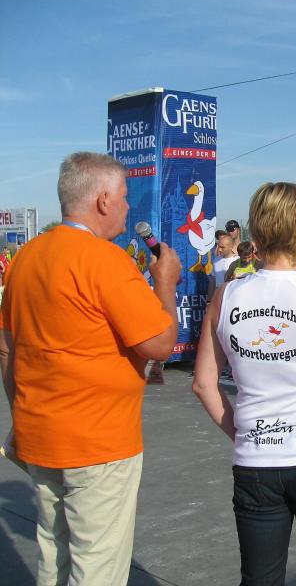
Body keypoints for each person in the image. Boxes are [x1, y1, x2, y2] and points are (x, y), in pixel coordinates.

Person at [0, 152, 180, 586]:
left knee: (54, 554)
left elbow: (7, 350)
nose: (127, 206)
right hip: (98, 443)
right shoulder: (105, 261)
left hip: (40, 435)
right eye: (123, 196)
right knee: (96, 565)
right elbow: (159, 342)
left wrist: (22, 413)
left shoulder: (25, 257)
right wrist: (165, 283)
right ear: (102, 200)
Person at [192, 181, 296, 585]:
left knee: (259, 578)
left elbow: (204, 384)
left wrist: (243, 434)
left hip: (256, 459)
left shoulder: (226, 296)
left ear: (257, 230)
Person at [208, 234, 238, 299]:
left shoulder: (238, 261)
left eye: (222, 247)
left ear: (231, 247)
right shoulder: (215, 260)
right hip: (218, 298)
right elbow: (213, 281)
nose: (219, 250)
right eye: (219, 246)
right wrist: (209, 300)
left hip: (233, 297)